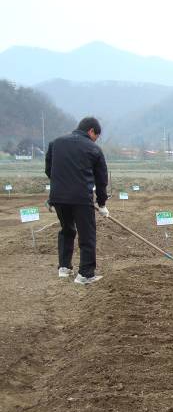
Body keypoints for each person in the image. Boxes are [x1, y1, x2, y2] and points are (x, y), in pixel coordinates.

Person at [45, 116, 109, 285]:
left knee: (66, 229)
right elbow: (101, 180)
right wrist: (102, 203)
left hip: (58, 197)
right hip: (81, 199)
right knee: (87, 236)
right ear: (91, 131)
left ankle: (64, 268)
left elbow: (49, 169)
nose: (96, 140)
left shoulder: (55, 143)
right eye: (97, 136)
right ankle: (85, 274)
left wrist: (60, 186)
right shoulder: (94, 149)